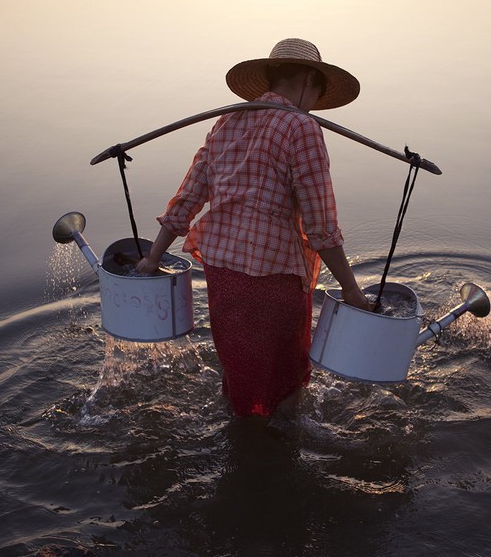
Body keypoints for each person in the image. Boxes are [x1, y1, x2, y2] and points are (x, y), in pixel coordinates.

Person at [136, 38, 370, 418]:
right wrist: (351, 290)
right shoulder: (302, 127)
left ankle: (242, 442)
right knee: (283, 385)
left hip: (222, 275)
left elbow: (187, 199)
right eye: (317, 93)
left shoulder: (227, 121)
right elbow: (321, 226)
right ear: (309, 79)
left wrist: (152, 259)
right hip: (272, 281)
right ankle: (273, 456)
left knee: (240, 375)